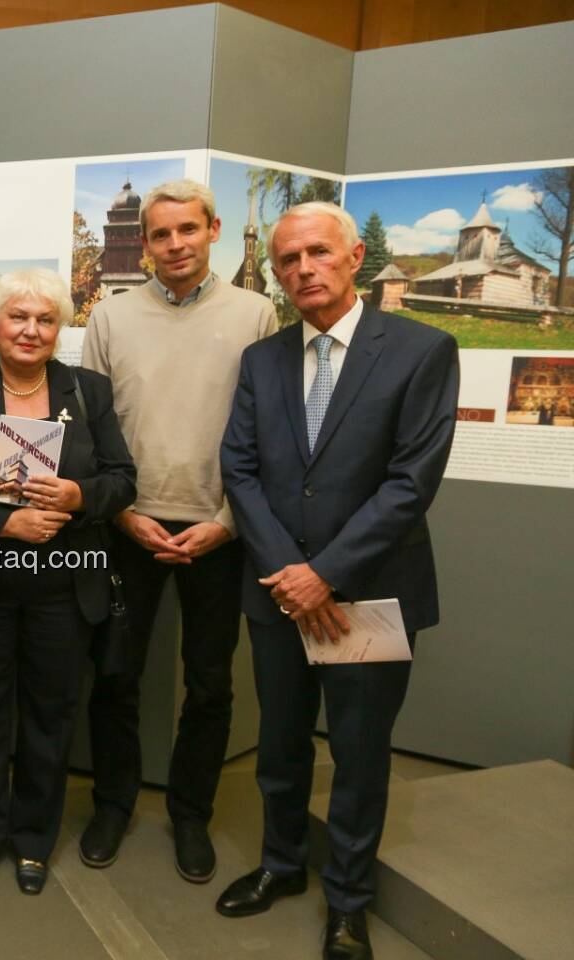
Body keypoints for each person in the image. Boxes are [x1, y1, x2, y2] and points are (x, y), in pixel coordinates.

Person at [217, 202, 458, 960]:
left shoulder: (422, 351)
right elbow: (240, 469)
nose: (302, 270)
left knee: (357, 755)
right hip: (280, 597)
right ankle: (283, 867)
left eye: (318, 253)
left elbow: (409, 485)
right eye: (288, 260)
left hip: (369, 596)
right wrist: (291, 576)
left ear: (355, 257)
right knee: (282, 746)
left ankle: (348, 902)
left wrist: (324, 574)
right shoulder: (263, 360)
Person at [79, 179, 277, 882]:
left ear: (213, 229)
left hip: (219, 531)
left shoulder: (256, 314)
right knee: (113, 677)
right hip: (126, 523)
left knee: (211, 684)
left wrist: (228, 522)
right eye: (160, 235)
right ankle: (112, 804)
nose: (173, 245)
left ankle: (192, 816)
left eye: (186, 230)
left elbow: (270, 433)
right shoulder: (111, 314)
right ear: (146, 241)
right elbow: (91, 427)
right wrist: (118, 513)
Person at [0, 268, 136, 894]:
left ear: (61, 327)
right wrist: (4, 523)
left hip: (64, 587)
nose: (31, 330)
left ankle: (34, 840)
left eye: (45, 319)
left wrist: (77, 494)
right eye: (18, 316)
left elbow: (122, 479)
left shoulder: (87, 390)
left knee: (50, 712)